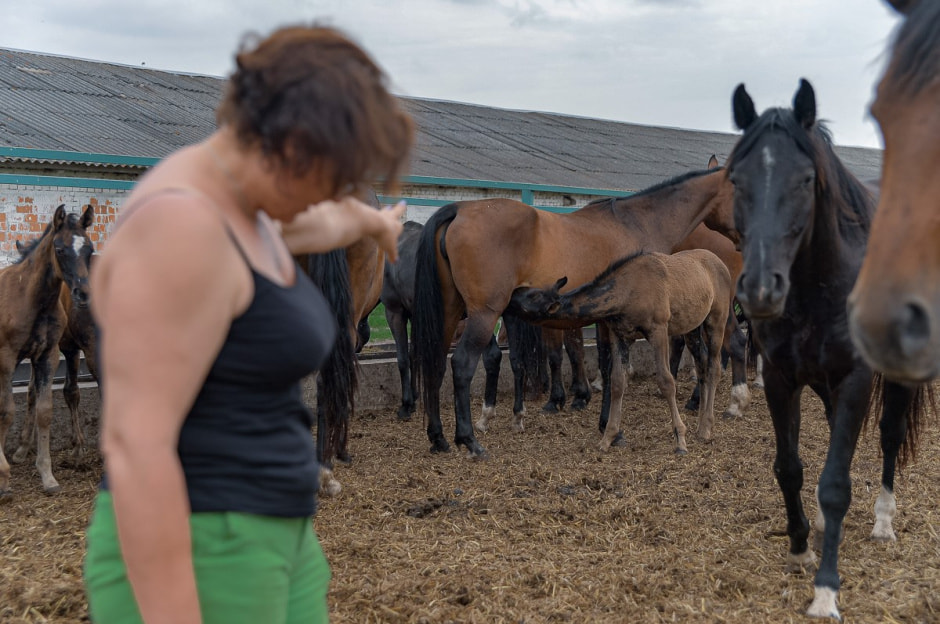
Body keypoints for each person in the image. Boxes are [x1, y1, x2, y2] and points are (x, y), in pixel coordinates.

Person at [83, 24, 414, 624]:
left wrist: (376, 224)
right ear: (292, 145)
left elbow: (325, 223)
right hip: (204, 545)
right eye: (334, 173)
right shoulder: (181, 228)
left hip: (268, 538)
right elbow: (136, 446)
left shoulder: (245, 213)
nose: (335, 193)